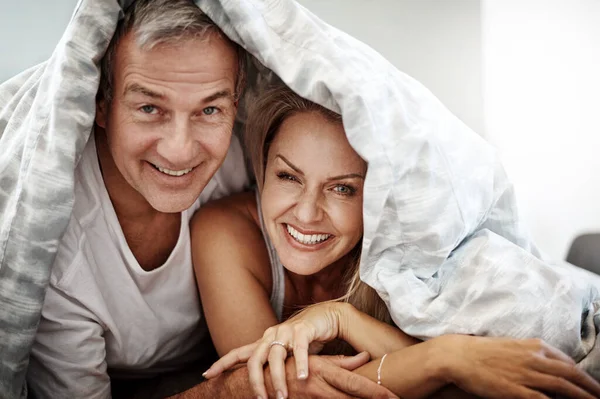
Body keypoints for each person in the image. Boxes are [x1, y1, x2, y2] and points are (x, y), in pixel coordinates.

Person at [26, 2, 394, 399]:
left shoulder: (241, 160)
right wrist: (229, 389)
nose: (180, 151)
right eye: (149, 108)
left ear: (236, 105)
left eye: (209, 109)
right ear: (100, 104)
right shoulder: (52, 248)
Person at [191, 85, 600, 399]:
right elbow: (280, 387)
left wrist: (342, 316)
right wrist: (447, 357)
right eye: (288, 177)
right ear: (262, 167)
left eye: (343, 189)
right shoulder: (224, 231)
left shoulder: (397, 243)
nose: (307, 213)